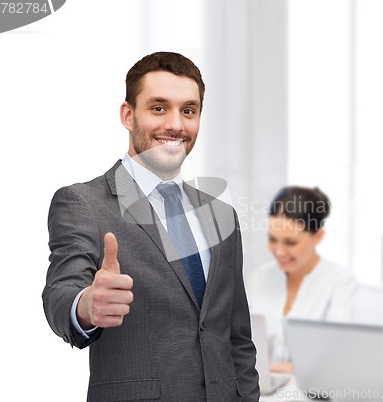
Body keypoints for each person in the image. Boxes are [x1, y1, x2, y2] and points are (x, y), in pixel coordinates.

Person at [42, 52, 259, 402]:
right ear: (128, 115)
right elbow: (61, 291)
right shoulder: (83, 203)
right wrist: (86, 305)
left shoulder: (221, 214)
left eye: (188, 110)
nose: (175, 124)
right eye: (159, 108)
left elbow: (236, 335)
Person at [250, 186, 358, 374]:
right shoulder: (260, 277)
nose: (279, 252)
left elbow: (338, 359)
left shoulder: (340, 282)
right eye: (272, 239)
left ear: (318, 236)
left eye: (291, 242)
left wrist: (277, 369)